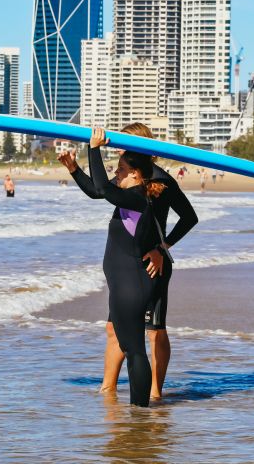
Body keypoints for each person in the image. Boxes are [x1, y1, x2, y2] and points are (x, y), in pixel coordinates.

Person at [59, 123, 197, 401]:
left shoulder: (161, 180)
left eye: (122, 142)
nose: (117, 147)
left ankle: (155, 392)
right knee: (115, 329)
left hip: (149, 265)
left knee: (154, 332)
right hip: (129, 264)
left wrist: (162, 246)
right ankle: (108, 388)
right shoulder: (129, 176)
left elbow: (189, 218)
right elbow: (99, 191)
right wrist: (74, 169)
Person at [81, 127, 168, 407]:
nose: (116, 172)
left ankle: (140, 412)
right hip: (125, 285)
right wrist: (74, 168)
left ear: (135, 173)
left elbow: (104, 189)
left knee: (134, 350)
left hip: (131, 286)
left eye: (120, 168)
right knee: (132, 348)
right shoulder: (131, 197)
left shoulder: (137, 198)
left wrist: (93, 149)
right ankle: (138, 411)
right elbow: (98, 189)